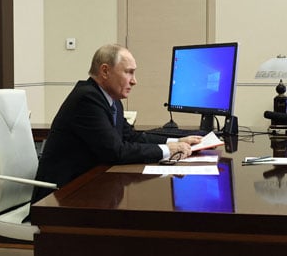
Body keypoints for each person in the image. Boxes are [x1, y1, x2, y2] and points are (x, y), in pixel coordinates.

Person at [31, 44, 202, 203]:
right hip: (59, 198)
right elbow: (115, 152)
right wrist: (167, 150)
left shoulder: (111, 100)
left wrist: (175, 142)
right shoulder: (86, 99)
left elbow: (131, 136)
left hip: (87, 187)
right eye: (129, 72)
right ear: (105, 71)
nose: (134, 81)